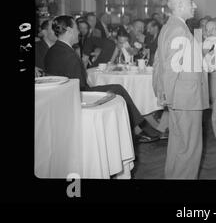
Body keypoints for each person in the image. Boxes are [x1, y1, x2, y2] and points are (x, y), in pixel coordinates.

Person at [44, 15, 162, 143]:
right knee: (118, 89)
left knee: (116, 88)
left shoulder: (53, 50)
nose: (79, 32)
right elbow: (80, 86)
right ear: (69, 30)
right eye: (77, 28)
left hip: (59, 98)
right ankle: (141, 128)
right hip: (77, 97)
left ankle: (138, 129)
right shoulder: (69, 55)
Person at [152, 0, 209, 179]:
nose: (195, 5)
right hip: (186, 98)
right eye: (191, 1)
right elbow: (169, 67)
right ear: (179, 6)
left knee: (178, 144)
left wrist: (163, 93)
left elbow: (159, 62)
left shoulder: (171, 27)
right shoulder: (178, 29)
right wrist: (166, 95)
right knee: (190, 148)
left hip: (180, 97)